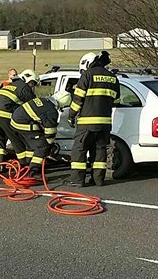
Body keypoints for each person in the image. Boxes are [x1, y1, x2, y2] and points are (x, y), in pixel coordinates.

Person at [67, 51, 120, 187]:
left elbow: (77, 100)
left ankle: (77, 180)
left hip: (87, 123)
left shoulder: (87, 76)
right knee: (100, 151)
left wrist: (71, 116)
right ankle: (98, 180)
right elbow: (117, 101)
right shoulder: (113, 78)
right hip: (105, 124)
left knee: (79, 150)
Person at [11, 90, 72, 179]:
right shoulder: (52, 111)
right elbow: (50, 131)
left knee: (31, 145)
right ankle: (33, 171)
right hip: (23, 124)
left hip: (15, 121)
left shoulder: (42, 100)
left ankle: (27, 166)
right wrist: (50, 145)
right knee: (42, 146)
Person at [0, 69, 39, 164]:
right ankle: (24, 163)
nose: (32, 86)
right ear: (27, 80)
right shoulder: (24, 88)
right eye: (32, 83)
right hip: (4, 113)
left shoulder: (10, 85)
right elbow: (34, 105)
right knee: (16, 138)